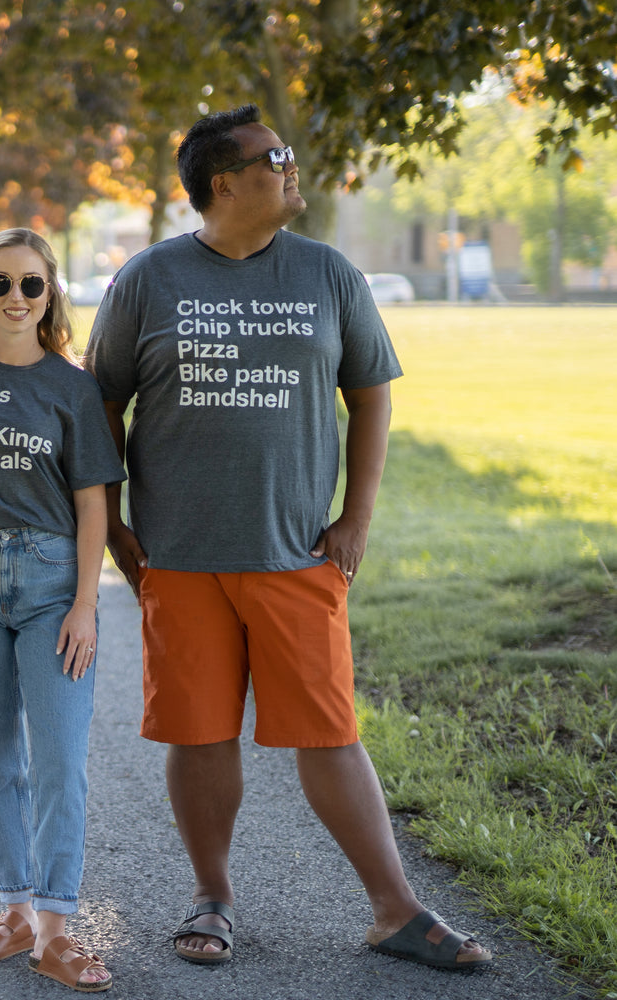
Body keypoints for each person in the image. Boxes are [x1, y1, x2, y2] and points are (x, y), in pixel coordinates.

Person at [85, 104, 494, 972]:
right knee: (199, 734)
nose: (292, 167)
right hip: (180, 557)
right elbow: (100, 403)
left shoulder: (328, 273)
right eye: (277, 158)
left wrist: (356, 518)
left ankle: (395, 909)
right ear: (224, 183)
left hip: (298, 551)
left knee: (330, 732)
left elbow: (372, 393)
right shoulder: (148, 280)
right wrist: (112, 519)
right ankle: (213, 896)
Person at [0, 229, 123, 993]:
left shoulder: (70, 386)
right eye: (1, 284)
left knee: (61, 763)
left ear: (51, 296)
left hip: (50, 582)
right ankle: (16, 910)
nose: (15, 298)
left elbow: (94, 504)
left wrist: (85, 605)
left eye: (31, 286)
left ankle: (56, 929)